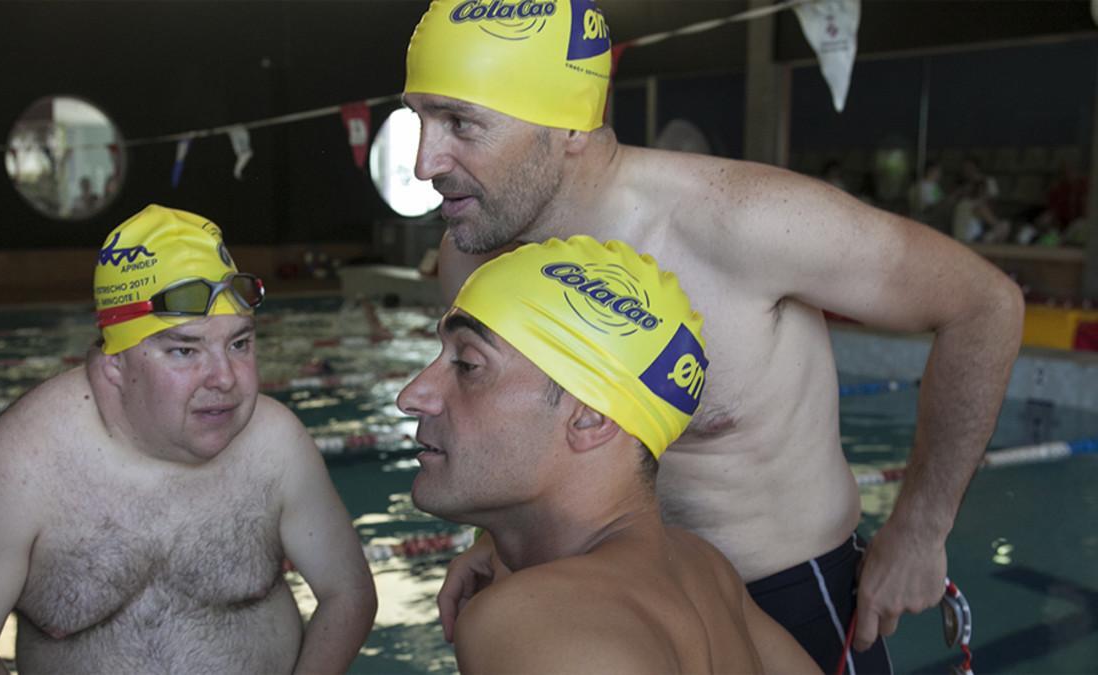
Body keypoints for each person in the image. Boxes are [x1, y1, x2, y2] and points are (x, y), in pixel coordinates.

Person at [402, 1, 1024, 672]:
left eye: (461, 123)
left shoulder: (744, 221)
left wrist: (920, 531)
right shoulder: (476, 253)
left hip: (788, 597)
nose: (422, 161)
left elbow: (983, 304)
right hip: (601, 605)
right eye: (420, 119)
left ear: (570, 127)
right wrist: (491, 539)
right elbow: (520, 430)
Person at [0, 205, 377, 674]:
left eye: (239, 344)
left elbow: (347, 593)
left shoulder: (275, 443)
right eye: (185, 350)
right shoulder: (18, 467)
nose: (224, 378)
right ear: (114, 366)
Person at [398, 235, 819, 674]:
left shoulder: (534, 624)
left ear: (590, 419)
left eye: (468, 365)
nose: (412, 395)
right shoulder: (704, 572)